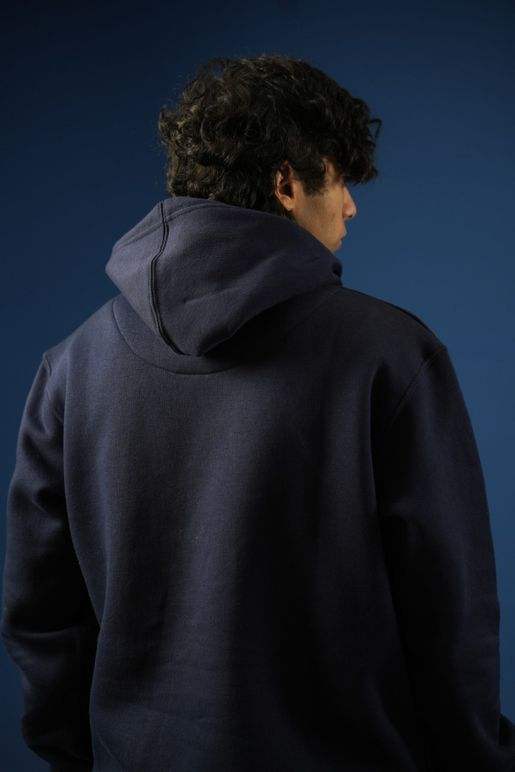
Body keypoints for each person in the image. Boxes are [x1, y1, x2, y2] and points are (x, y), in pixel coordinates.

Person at [1, 53, 514, 772]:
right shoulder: (389, 354)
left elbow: (41, 614)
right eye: (338, 179)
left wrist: (88, 754)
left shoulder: (71, 366)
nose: (350, 206)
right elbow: (448, 614)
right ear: (286, 184)